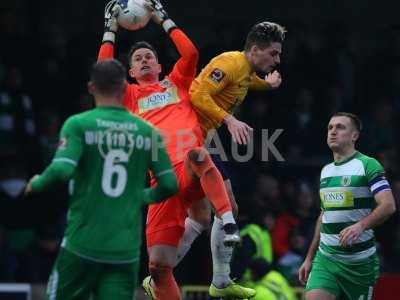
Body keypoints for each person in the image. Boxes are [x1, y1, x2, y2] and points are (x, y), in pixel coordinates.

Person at [98, 1, 253, 299]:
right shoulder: (129, 96)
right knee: (158, 267)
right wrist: (111, 27)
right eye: (138, 58)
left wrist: (162, 18)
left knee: (198, 154)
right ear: (130, 71)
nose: (144, 60)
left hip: (189, 167)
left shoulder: (177, 83)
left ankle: (229, 222)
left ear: (159, 66)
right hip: (161, 181)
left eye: (149, 57)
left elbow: (191, 53)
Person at [24, 59, 178, 300]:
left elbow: (62, 171)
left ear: (91, 88)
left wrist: (36, 183)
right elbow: (169, 185)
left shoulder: (79, 124)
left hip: (81, 245)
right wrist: (140, 195)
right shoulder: (148, 132)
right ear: (125, 88)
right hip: (124, 251)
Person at [179, 20, 286, 297]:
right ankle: (217, 282)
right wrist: (229, 120)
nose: (278, 59)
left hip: (200, 141)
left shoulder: (247, 71)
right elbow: (196, 93)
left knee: (207, 216)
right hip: (188, 138)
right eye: (273, 53)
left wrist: (268, 84)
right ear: (254, 49)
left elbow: (249, 82)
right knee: (223, 210)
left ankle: (207, 279)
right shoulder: (230, 63)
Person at [298, 112, 397, 300]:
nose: (333, 131)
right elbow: (324, 215)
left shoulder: (368, 165)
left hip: (358, 265)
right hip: (325, 260)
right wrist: (309, 257)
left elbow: (388, 205)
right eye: (330, 128)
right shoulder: (326, 171)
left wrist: (360, 225)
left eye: (340, 127)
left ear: (354, 136)